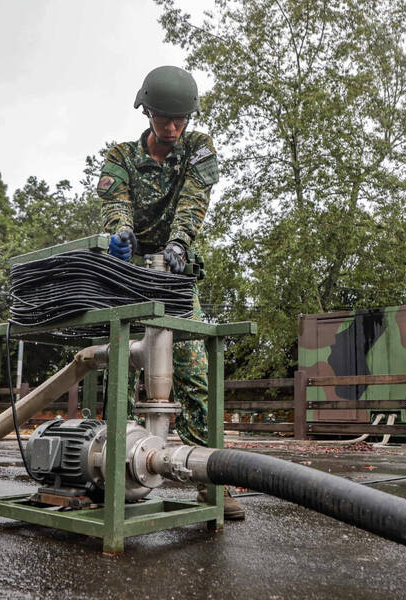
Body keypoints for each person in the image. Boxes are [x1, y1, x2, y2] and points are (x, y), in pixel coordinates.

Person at [96, 65, 245, 520]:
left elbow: (194, 201)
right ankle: (110, 470)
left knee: (194, 369)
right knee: (118, 366)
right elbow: (114, 203)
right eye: (164, 118)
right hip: (127, 269)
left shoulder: (198, 149)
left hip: (175, 271)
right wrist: (121, 234)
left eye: (181, 119)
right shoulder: (121, 156)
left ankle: (208, 482)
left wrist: (179, 243)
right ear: (147, 112)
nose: (173, 127)